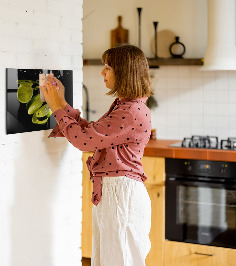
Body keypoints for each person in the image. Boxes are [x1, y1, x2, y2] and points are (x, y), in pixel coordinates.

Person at [41, 44, 153, 266]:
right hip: (116, 193)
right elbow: (92, 133)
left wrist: (56, 107)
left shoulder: (130, 111)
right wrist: (62, 104)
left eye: (108, 67)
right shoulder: (126, 106)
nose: (102, 72)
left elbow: (84, 141)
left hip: (121, 195)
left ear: (124, 72)